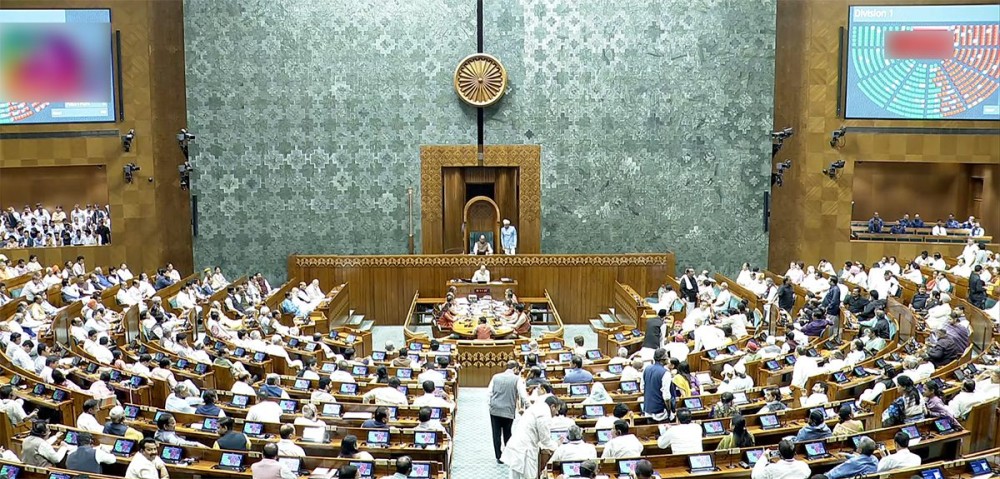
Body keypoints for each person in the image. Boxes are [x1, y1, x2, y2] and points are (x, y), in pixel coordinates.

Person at [499, 396, 560, 479]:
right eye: (557, 410)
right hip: (525, 451)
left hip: (518, 446)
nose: (557, 413)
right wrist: (557, 445)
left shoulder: (537, 407)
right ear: (552, 407)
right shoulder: (544, 413)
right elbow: (545, 439)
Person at [642, 349, 671, 421]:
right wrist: (669, 412)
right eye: (667, 356)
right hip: (661, 412)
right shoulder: (665, 373)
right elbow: (666, 396)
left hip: (647, 410)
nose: (668, 358)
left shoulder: (646, 369)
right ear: (663, 359)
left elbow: (642, 387)